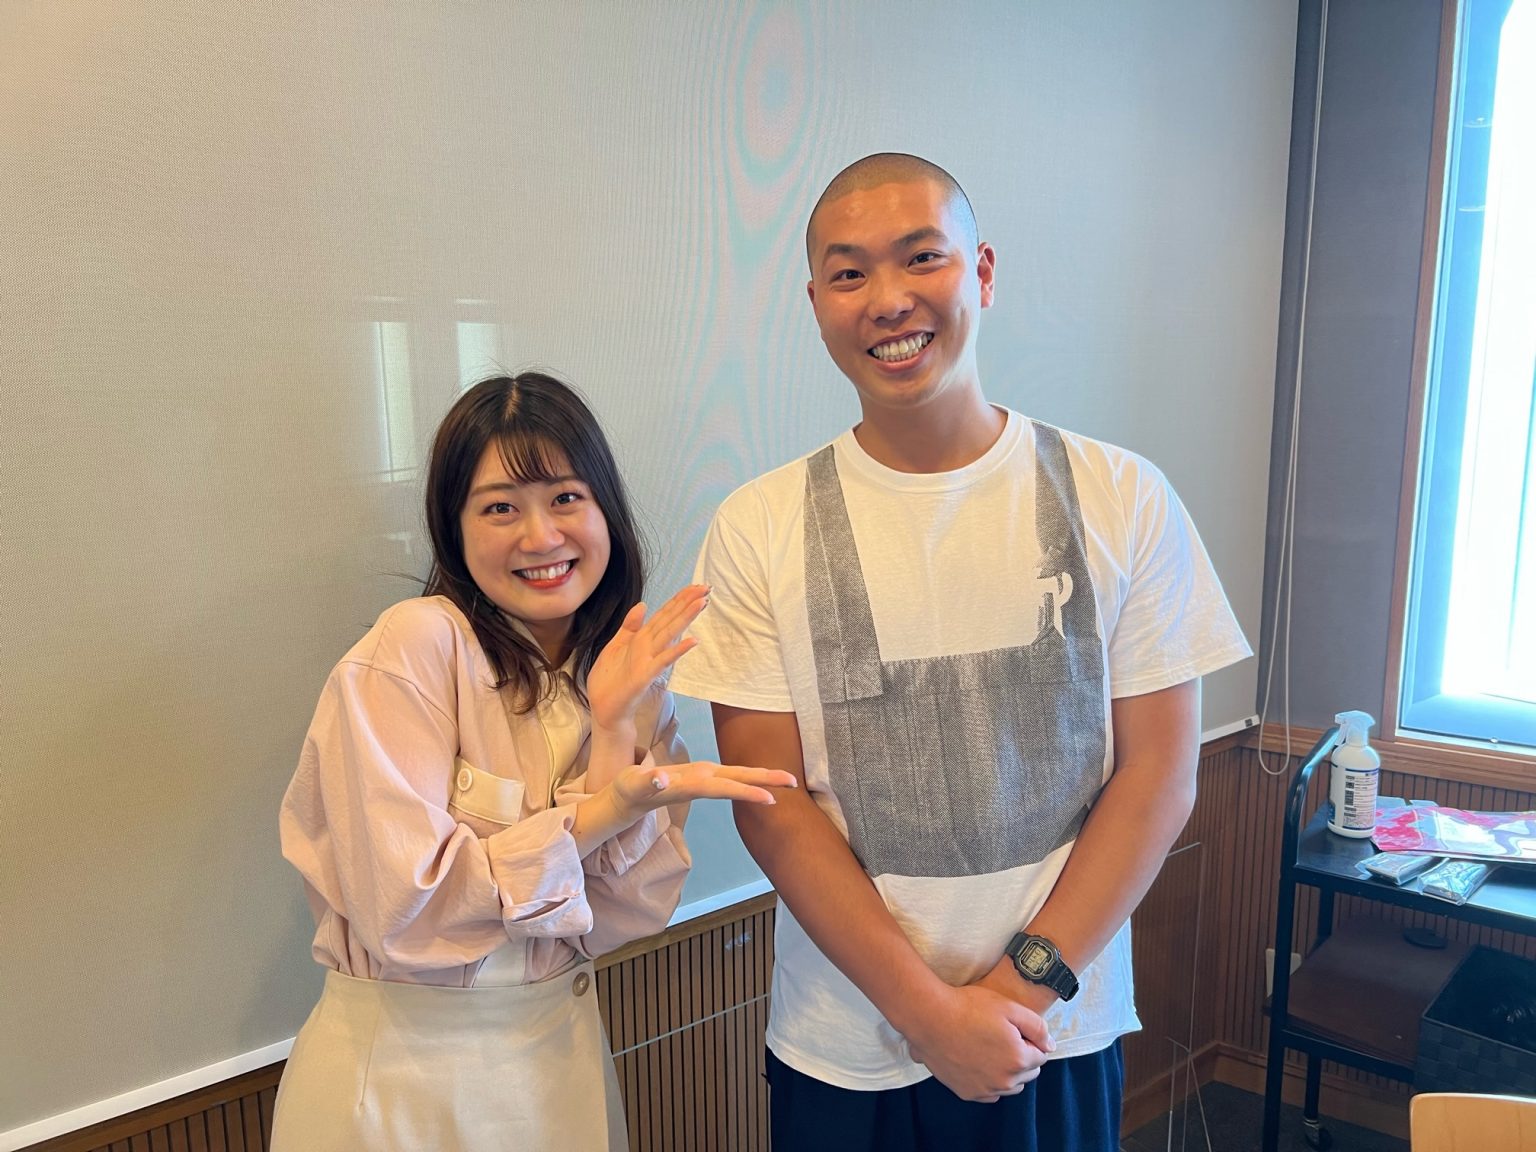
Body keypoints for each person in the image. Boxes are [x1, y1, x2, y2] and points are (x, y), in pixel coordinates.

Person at [668, 154, 1252, 1151]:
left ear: (981, 271)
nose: (887, 300)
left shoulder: (1122, 495)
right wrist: (930, 1016)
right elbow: (773, 807)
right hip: (844, 1044)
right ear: (816, 305)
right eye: (849, 274)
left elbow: (1159, 774)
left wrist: (1018, 992)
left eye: (921, 258)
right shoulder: (759, 524)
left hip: (1049, 1034)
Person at [271, 372, 796, 1151]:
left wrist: (612, 727)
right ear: (454, 528)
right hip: (404, 1078)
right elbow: (404, 911)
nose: (541, 536)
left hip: (559, 1056)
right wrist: (605, 811)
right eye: (500, 508)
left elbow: (619, 916)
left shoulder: (626, 678)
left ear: (605, 509)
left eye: (565, 498)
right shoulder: (415, 647)